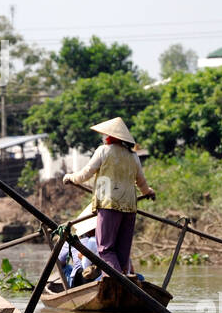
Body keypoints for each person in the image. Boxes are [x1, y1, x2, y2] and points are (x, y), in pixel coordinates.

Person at [63, 117, 154, 278]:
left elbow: (85, 174)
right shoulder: (133, 156)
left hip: (109, 204)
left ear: (110, 137)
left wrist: (71, 177)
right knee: (122, 250)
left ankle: (117, 280)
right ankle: (125, 278)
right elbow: (141, 182)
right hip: (130, 206)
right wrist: (148, 192)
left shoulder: (104, 151)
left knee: (105, 248)